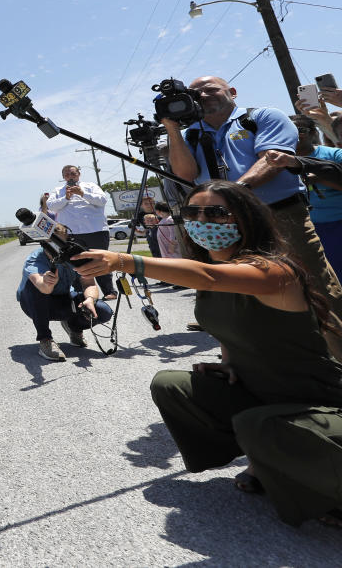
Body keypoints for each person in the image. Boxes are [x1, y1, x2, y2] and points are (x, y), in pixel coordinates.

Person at [72, 180, 342, 527]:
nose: (203, 221)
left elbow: (210, 277)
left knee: (257, 424)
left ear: (246, 219)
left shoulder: (274, 271)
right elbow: (226, 326)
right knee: (171, 385)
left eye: (216, 212)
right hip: (260, 391)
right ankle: (272, 458)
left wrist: (125, 261)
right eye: (193, 213)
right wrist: (227, 365)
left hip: (318, 400)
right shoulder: (212, 279)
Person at [161, 75, 342, 323]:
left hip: (280, 216)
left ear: (232, 92)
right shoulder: (191, 134)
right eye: (195, 94)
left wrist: (234, 193)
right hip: (225, 226)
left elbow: (272, 160)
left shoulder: (262, 117)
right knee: (247, 295)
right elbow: (185, 174)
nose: (202, 96)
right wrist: (173, 129)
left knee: (319, 289)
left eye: (211, 89)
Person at [16, 226, 113, 362]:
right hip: (35, 304)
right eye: (52, 243)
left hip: (64, 299)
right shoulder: (35, 259)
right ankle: (45, 339)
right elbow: (43, 289)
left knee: (103, 311)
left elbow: (89, 283)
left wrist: (90, 299)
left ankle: (74, 328)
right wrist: (48, 282)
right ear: (44, 242)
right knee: (34, 288)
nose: (56, 248)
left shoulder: (74, 255)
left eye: (61, 243)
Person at [266, 116, 342, 280]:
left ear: (313, 132)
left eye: (300, 130)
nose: (295, 135)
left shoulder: (335, 155)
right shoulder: (271, 163)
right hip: (307, 229)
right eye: (289, 130)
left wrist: (320, 178)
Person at [46, 165, 117, 299]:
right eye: (66, 174)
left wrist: (82, 193)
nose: (70, 176)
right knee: (74, 262)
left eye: (72, 173)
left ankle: (109, 291)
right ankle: (81, 293)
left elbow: (102, 200)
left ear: (78, 174)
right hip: (71, 234)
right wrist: (66, 198)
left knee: (101, 259)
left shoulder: (90, 186)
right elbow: (51, 206)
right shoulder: (58, 190)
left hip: (95, 230)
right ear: (63, 177)